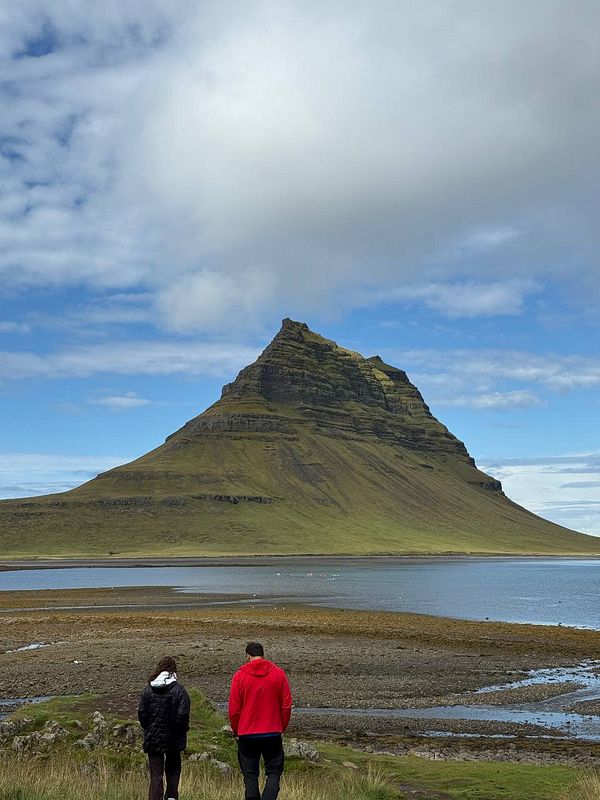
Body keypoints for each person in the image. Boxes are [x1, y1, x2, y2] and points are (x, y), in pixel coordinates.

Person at [229, 641, 293, 800]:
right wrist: (282, 726)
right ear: (263, 655)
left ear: (247, 656)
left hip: (247, 733)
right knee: (274, 773)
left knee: (250, 776)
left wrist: (236, 730)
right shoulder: (278, 674)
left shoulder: (240, 675)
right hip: (272, 731)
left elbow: (234, 709)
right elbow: (286, 704)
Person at [138, 655, 190, 800]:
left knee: (156, 775)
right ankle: (172, 797)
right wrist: (180, 730)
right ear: (174, 671)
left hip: (153, 737)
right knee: (173, 771)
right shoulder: (180, 691)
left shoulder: (148, 690)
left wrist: (148, 728)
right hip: (173, 739)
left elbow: (142, 713)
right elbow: (183, 715)